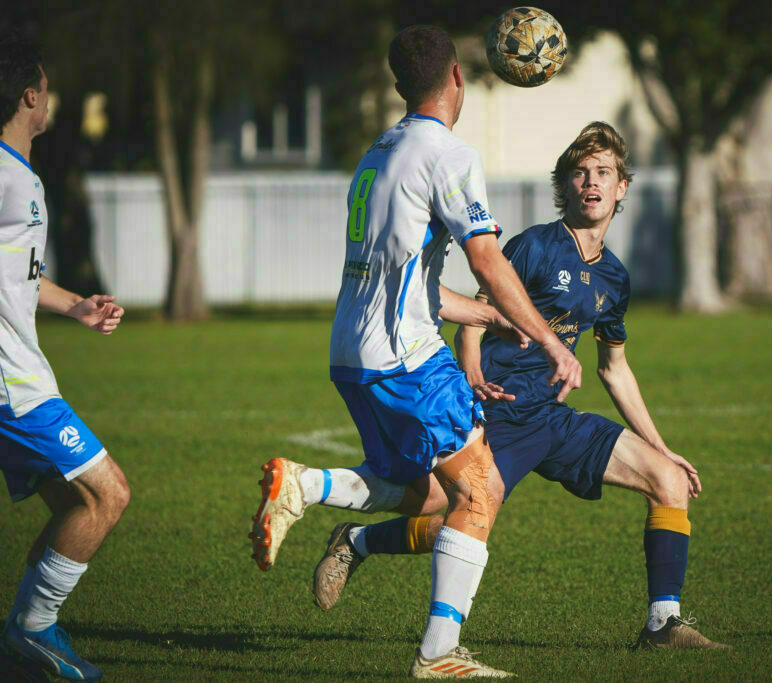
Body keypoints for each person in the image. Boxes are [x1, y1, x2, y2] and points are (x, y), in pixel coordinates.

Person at [307, 122, 730, 650]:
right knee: (451, 516)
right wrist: (474, 374)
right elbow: (475, 316)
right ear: (565, 187)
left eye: (604, 173)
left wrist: (662, 446)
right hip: (500, 411)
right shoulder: (534, 247)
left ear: (623, 187)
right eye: (580, 173)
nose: (591, 183)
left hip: (553, 418)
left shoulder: (615, 277)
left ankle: (662, 625)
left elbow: (614, 368)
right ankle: (359, 542)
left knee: (666, 479)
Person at [248, 25, 581, 678]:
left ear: (403, 86)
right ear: (456, 77)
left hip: (354, 353)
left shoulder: (381, 152)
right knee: (479, 489)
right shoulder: (447, 154)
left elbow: (410, 280)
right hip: (407, 359)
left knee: (428, 492)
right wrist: (549, 340)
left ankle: (305, 485)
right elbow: (486, 258)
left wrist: (485, 314)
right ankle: (438, 653)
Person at [0, 41, 130, 682]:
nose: (51, 96)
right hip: (7, 386)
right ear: (30, 96)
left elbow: (14, 277)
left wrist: (77, 306)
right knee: (107, 494)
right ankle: (31, 633)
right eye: (48, 87)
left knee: (77, 505)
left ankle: (17, 646)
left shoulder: (17, 174)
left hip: (18, 380)